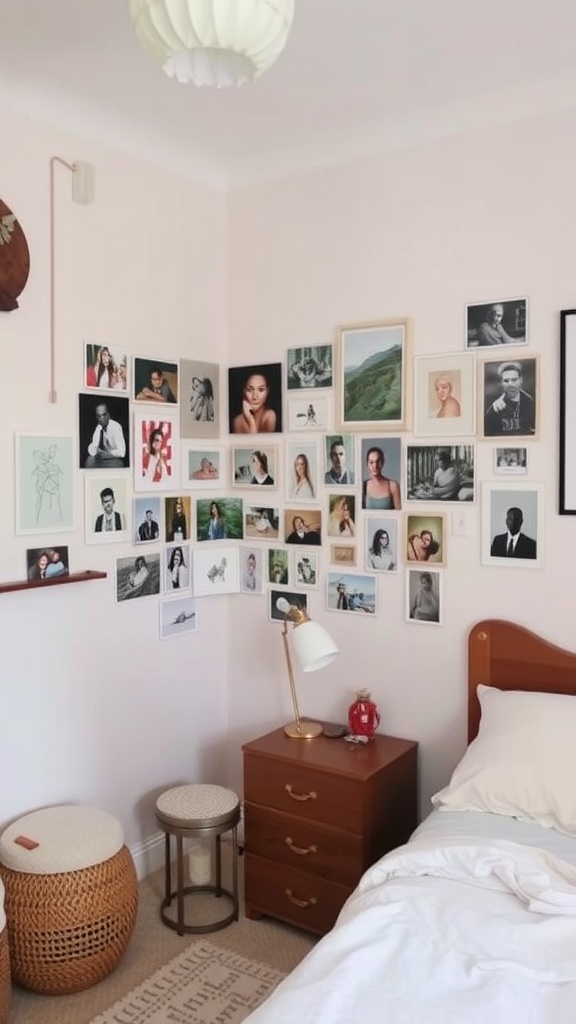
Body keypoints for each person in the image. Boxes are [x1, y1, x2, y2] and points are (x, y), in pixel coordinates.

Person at [484, 362, 535, 436]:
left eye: (514, 380)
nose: (510, 384)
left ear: (521, 380)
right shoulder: (495, 408)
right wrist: (492, 412)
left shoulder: (530, 402)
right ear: (501, 383)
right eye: (506, 381)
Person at [85, 403, 126, 468]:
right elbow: (92, 448)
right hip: (105, 461)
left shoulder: (116, 427)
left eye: (104, 415)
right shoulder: (99, 427)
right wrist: (97, 450)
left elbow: (122, 452)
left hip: (117, 463)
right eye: (99, 416)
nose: (101, 418)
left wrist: (108, 454)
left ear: (108, 415)